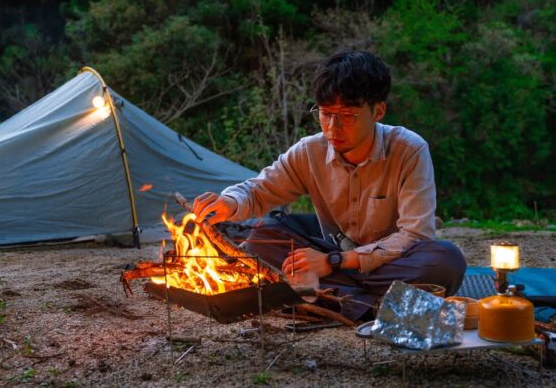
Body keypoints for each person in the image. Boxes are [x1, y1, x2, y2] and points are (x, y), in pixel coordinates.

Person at [192, 50, 466, 320]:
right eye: (325, 113)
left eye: (348, 115)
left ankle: (331, 299)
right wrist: (229, 202)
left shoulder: (409, 150)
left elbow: (415, 235)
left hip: (388, 264)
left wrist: (331, 262)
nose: (333, 127)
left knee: (445, 261)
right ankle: (372, 304)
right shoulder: (310, 151)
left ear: (378, 111)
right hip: (330, 260)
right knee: (261, 241)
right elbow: (258, 191)